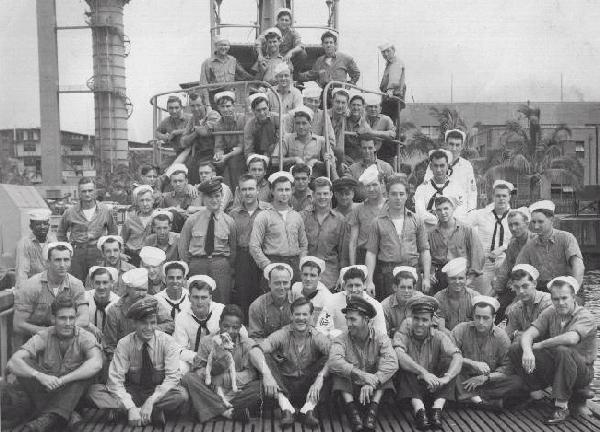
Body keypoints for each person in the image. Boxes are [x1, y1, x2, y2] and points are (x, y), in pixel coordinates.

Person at [3, 294, 102, 431]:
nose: (68, 323)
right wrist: (38, 375)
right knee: (24, 362)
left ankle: (44, 421)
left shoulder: (84, 336)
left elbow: (96, 363)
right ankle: (63, 416)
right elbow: (13, 363)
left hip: (75, 394)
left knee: (83, 374)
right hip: (47, 391)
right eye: (62, 318)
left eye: (71, 318)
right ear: (53, 319)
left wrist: (63, 380)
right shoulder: (45, 336)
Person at [509, 276, 597, 424]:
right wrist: (528, 351)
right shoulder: (551, 311)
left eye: (564, 298)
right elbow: (529, 334)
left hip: (582, 372)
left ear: (573, 297)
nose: (560, 303)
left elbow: (571, 339)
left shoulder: (585, 316)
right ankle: (537, 396)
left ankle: (561, 407)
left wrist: (542, 345)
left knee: (562, 350)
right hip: (560, 365)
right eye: (556, 299)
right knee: (517, 347)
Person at [88, 297, 189, 427]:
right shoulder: (124, 344)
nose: (149, 328)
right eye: (143, 323)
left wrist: (151, 401)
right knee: (94, 391)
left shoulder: (167, 342)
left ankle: (128, 411)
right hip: (131, 391)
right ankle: (151, 412)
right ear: (134, 324)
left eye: (153, 323)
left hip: (157, 391)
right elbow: (115, 380)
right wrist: (130, 407)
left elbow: (172, 378)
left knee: (181, 395)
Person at [249, 297, 331, 426]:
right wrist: (267, 375)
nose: (301, 318)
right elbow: (254, 351)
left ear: (311, 317)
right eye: (297, 314)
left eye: (305, 314)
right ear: (291, 316)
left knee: (331, 361)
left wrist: (320, 377)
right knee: (265, 357)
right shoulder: (282, 334)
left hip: (308, 389)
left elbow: (337, 355)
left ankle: (308, 410)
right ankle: (287, 409)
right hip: (284, 387)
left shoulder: (317, 337)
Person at [328, 295, 398, 432]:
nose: (348, 323)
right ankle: (353, 414)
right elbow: (333, 361)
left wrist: (373, 380)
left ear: (366, 320)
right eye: (347, 319)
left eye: (352, 319)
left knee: (386, 372)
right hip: (351, 390)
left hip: (373, 390)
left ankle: (373, 412)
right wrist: (361, 375)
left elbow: (392, 362)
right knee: (339, 371)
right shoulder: (342, 339)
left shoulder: (380, 338)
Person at [181, 304, 260, 423]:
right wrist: (212, 373)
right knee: (188, 378)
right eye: (226, 326)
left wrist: (224, 378)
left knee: (260, 386)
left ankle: (209, 409)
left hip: (237, 390)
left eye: (235, 327)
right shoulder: (207, 341)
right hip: (213, 389)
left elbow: (251, 374)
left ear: (240, 328)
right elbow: (197, 370)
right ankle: (227, 412)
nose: (230, 331)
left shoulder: (247, 344)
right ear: (219, 323)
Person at [393, 296, 462, 430]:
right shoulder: (402, 334)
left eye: (424, 320)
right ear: (411, 319)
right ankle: (420, 412)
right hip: (411, 389)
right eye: (416, 318)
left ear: (431, 321)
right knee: (405, 367)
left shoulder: (439, 336)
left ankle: (437, 409)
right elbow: (399, 354)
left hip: (434, 386)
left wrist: (445, 378)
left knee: (451, 363)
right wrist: (423, 373)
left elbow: (457, 356)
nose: (419, 323)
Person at [452, 295, 524, 408]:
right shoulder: (461, 329)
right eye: (477, 317)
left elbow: (507, 368)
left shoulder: (501, 336)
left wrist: (486, 377)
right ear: (473, 316)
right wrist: (471, 363)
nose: (481, 322)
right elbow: (449, 355)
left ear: (494, 318)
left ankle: (468, 398)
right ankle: (482, 402)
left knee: (517, 382)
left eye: (485, 318)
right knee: (450, 370)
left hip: (487, 382)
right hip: (464, 378)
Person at [365, 175, 430, 300]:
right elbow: (371, 253)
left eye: (401, 194)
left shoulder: (417, 220)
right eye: (394, 194)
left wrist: (426, 277)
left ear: (407, 196)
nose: (398, 198)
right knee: (390, 309)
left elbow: (424, 250)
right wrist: (369, 281)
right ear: (387, 195)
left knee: (414, 309)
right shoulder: (377, 222)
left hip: (413, 272)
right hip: (388, 274)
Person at [13, 242, 89, 342]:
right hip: (35, 338)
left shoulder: (76, 284)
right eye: (57, 260)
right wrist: (49, 332)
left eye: (66, 260)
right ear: (47, 262)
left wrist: (62, 330)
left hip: (66, 337)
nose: (62, 265)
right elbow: (18, 324)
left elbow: (84, 318)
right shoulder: (31, 286)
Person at [179, 177, 237, 304]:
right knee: (197, 302)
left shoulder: (229, 221)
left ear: (222, 196)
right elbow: (183, 248)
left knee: (221, 303)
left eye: (217, 196)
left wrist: (224, 264)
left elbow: (233, 250)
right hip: (197, 264)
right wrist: (190, 266)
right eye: (210, 196)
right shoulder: (192, 220)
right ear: (203, 198)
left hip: (220, 265)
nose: (214, 200)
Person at [249, 171, 308, 286]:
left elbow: (303, 244)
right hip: (273, 262)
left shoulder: (296, 216)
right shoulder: (264, 216)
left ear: (292, 191)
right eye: (280, 190)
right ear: (272, 191)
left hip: (294, 265)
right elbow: (254, 246)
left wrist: (301, 262)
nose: (284, 193)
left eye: (287, 190)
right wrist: (268, 266)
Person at [103, 268, 174, 359]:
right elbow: (110, 345)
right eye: (137, 290)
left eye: (144, 290)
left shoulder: (153, 302)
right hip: (125, 355)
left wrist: (149, 329)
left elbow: (170, 324)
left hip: (153, 353)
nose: (141, 294)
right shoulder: (114, 311)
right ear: (128, 289)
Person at [57, 177, 118, 281]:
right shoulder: (70, 212)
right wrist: (69, 250)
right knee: (76, 283)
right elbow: (61, 233)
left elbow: (113, 232)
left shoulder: (105, 210)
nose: (87, 194)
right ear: (79, 193)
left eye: (90, 190)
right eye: (84, 191)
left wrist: (107, 249)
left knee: (98, 282)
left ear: (95, 191)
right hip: (77, 253)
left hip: (98, 253)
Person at [229, 174, 272, 318]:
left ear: (258, 189)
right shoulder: (233, 214)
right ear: (239, 191)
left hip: (263, 256)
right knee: (243, 294)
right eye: (244, 189)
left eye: (251, 189)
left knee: (263, 293)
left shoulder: (268, 210)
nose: (248, 193)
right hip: (243, 257)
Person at [516, 200, 585, 291]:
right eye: (533, 222)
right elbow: (518, 270)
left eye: (540, 222)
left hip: (568, 287)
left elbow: (579, 266)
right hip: (542, 291)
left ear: (552, 220)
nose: (536, 226)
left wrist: (574, 290)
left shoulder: (567, 238)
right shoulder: (529, 245)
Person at [174, 276, 237, 366]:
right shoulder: (182, 317)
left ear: (210, 298)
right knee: (179, 366)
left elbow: (240, 332)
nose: (199, 302)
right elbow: (179, 349)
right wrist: (197, 357)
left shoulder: (221, 310)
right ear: (189, 298)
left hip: (221, 357)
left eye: (204, 297)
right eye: (195, 297)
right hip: (195, 358)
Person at [428, 196, 485, 294]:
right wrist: (430, 272)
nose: (443, 213)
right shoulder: (431, 233)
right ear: (435, 212)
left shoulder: (467, 230)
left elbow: (478, 254)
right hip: (440, 277)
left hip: (462, 277)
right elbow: (427, 255)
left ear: (453, 209)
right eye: (439, 210)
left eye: (446, 209)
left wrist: (470, 278)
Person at [467, 180, 514, 295]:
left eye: (504, 196)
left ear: (509, 197)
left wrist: (503, 248)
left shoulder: (514, 216)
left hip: (505, 261)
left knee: (503, 294)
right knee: (483, 294)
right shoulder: (481, 214)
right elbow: (463, 227)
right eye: (498, 196)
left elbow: (519, 237)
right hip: (484, 262)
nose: (501, 199)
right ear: (493, 196)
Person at [301, 177, 346, 288]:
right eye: (319, 194)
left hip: (330, 277)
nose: (322, 197)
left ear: (331, 194)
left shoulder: (340, 219)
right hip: (307, 276)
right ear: (313, 195)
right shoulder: (303, 217)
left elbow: (343, 252)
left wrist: (342, 276)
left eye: (325, 194)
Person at [317, 265, 386, 336]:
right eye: (350, 286)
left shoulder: (375, 305)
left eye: (357, 285)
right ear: (344, 286)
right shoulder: (332, 301)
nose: (354, 290)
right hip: (339, 342)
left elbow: (382, 334)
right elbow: (321, 328)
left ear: (364, 285)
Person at [492, 207, 533, 322]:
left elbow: (534, 277)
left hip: (531, 287)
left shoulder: (535, 243)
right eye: (510, 225)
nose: (513, 228)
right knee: (496, 308)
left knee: (512, 311)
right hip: (514, 287)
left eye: (517, 224)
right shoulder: (513, 243)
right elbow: (505, 270)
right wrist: (491, 295)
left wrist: (516, 302)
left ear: (526, 223)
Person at [424, 129, 478, 212]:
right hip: (438, 211)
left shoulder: (467, 166)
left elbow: (472, 193)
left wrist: (470, 212)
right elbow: (427, 187)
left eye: (457, 145)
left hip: (460, 212)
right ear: (446, 144)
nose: (454, 148)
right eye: (451, 144)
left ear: (462, 146)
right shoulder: (434, 164)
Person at [414, 149, 468, 227]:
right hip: (430, 232)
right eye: (435, 166)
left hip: (452, 231)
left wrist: (447, 221)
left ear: (447, 166)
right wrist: (439, 220)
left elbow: (461, 210)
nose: (439, 170)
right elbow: (420, 212)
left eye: (442, 165)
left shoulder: (457, 188)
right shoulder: (422, 189)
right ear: (431, 167)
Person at [198, 35, 253, 109]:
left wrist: (259, 77)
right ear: (215, 46)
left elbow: (244, 75)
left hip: (229, 97)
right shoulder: (207, 63)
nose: (224, 47)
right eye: (221, 45)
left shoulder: (233, 61)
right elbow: (203, 85)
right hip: (214, 99)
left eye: (226, 45)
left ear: (229, 46)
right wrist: (208, 105)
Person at [348, 165, 387, 266]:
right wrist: (353, 266)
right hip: (364, 256)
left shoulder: (390, 207)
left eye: (374, 185)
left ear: (382, 184)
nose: (371, 189)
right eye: (368, 186)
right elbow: (353, 242)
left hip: (386, 256)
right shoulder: (358, 209)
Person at [504, 264, 552, 341]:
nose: (521, 291)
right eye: (517, 287)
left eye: (525, 286)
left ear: (534, 284)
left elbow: (546, 335)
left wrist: (517, 334)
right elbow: (507, 335)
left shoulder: (548, 302)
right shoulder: (516, 308)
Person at [180, 98, 222, 185]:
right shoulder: (193, 119)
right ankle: (193, 193)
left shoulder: (213, 114)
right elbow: (183, 141)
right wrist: (196, 132)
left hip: (214, 151)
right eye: (192, 106)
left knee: (200, 168)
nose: (195, 109)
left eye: (198, 105)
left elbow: (204, 132)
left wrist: (196, 132)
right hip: (198, 153)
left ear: (204, 105)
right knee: (186, 167)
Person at [248, 263, 294, 342]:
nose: (282, 287)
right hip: (268, 350)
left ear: (290, 283)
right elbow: (255, 339)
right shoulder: (257, 306)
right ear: (269, 283)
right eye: (277, 283)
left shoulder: (298, 301)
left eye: (285, 283)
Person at [255, 8, 305, 77]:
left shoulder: (293, 33)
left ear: (290, 22)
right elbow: (258, 42)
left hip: (284, 60)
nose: (284, 22)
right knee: (256, 49)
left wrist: (290, 52)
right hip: (271, 58)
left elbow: (300, 45)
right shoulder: (271, 31)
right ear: (278, 20)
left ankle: (295, 76)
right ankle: (260, 73)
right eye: (282, 19)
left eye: (286, 20)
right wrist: (260, 55)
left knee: (302, 53)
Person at [433, 257, 480, 330]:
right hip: (446, 338)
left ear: (466, 278)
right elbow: (441, 328)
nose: (457, 282)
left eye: (461, 278)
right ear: (447, 279)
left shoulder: (475, 297)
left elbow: (478, 325)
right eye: (453, 278)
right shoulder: (439, 297)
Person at [15, 208, 57, 289]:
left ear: (49, 225)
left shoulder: (53, 241)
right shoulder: (24, 243)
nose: (42, 227)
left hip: (52, 285)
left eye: (45, 223)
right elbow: (22, 272)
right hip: (33, 286)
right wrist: (23, 291)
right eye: (38, 224)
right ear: (31, 227)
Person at [213, 91, 246, 187]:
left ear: (233, 106)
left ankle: (236, 193)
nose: (225, 109)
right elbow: (218, 146)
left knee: (233, 163)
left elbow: (241, 146)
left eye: (228, 106)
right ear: (218, 108)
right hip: (228, 153)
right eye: (222, 107)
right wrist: (218, 155)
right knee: (214, 164)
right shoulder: (218, 124)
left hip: (241, 153)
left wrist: (226, 156)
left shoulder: (241, 119)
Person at [380, 266, 424, 337]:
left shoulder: (421, 299)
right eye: (403, 287)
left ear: (414, 288)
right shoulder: (385, 306)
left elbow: (432, 325)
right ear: (395, 287)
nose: (406, 291)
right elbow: (383, 336)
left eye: (409, 288)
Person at [290, 256, 332, 325]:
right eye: (305, 274)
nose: (308, 279)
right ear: (301, 275)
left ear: (319, 277)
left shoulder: (326, 297)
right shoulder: (295, 287)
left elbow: (324, 325)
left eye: (313, 275)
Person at [121, 185, 155, 267]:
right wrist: (120, 254)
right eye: (141, 200)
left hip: (152, 257)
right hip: (132, 257)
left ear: (153, 200)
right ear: (137, 202)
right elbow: (121, 240)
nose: (145, 204)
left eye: (148, 200)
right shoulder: (130, 220)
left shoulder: (158, 217)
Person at [243, 93, 280, 160]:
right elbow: (249, 149)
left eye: (264, 109)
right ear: (253, 111)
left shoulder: (277, 119)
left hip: (277, 155)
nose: (262, 113)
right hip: (259, 157)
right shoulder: (250, 125)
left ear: (268, 107)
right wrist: (255, 160)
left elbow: (282, 140)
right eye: (258, 110)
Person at [85, 266, 120, 334]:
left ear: (112, 283)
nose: (101, 287)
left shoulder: (118, 303)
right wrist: (89, 326)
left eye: (105, 282)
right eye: (97, 283)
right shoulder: (84, 298)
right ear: (92, 283)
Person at [377, 41, 405, 122]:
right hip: (388, 99)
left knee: (386, 123)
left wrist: (390, 90)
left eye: (388, 51)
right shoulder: (389, 64)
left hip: (392, 99)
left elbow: (395, 78)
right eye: (383, 52)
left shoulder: (396, 63)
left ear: (393, 50)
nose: (385, 54)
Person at [344, 93, 369, 164]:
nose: (356, 108)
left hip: (360, 160)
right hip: (344, 158)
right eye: (353, 105)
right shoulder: (343, 121)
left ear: (363, 107)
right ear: (349, 106)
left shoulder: (365, 125)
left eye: (359, 105)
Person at [329, 87, 351, 163]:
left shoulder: (346, 117)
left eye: (343, 103)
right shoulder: (324, 115)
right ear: (332, 101)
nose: (340, 106)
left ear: (347, 104)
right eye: (337, 102)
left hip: (340, 157)